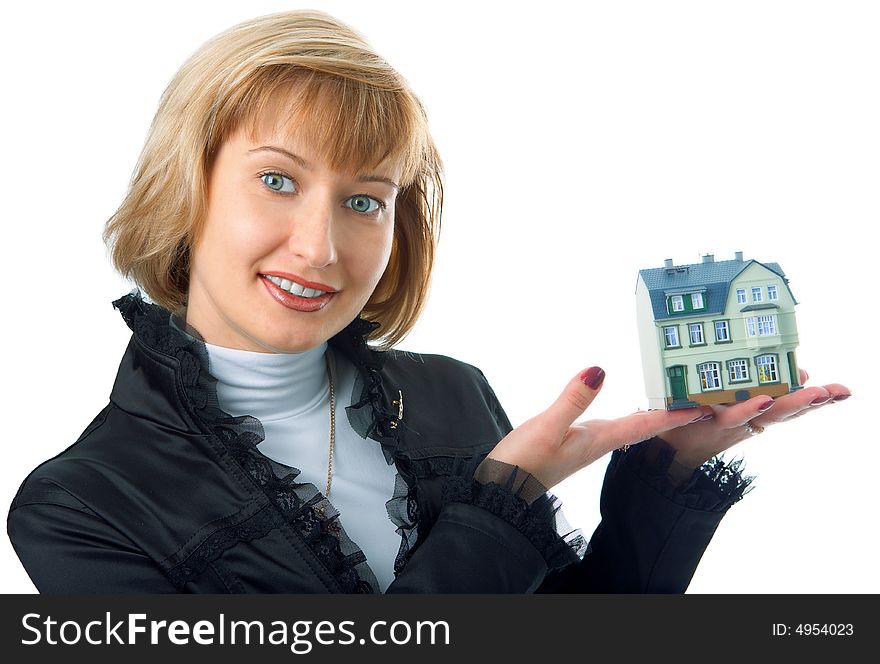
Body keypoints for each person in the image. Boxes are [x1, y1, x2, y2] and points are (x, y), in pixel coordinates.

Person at [6, 9, 850, 594]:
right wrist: (500, 506)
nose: (322, 247)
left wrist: (674, 462)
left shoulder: (450, 393)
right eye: (276, 180)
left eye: (366, 200)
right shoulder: (81, 507)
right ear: (184, 189)